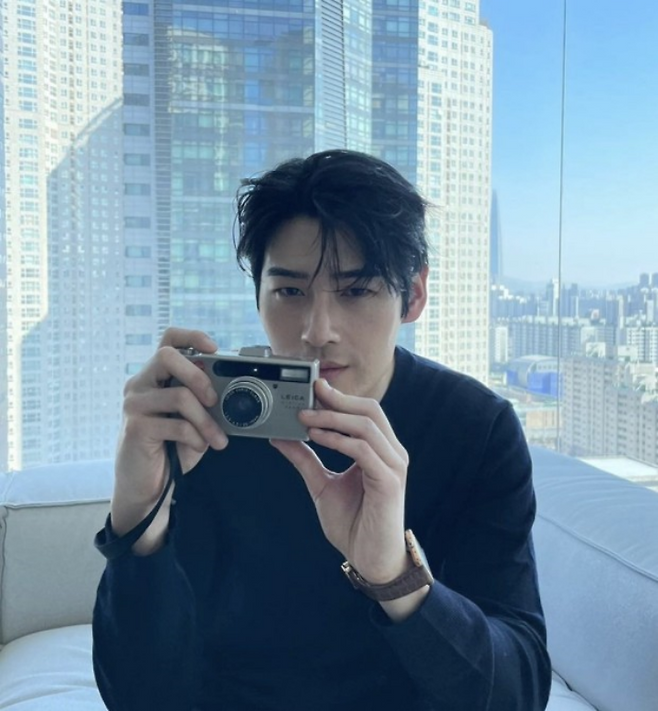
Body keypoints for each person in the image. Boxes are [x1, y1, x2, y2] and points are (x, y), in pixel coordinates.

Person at [92, 149, 551, 711]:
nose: (318, 330)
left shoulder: (475, 427)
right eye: (290, 291)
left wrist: (393, 574)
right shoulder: (209, 421)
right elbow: (139, 697)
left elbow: (518, 693)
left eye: (357, 290)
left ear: (413, 295)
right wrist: (138, 514)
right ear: (258, 294)